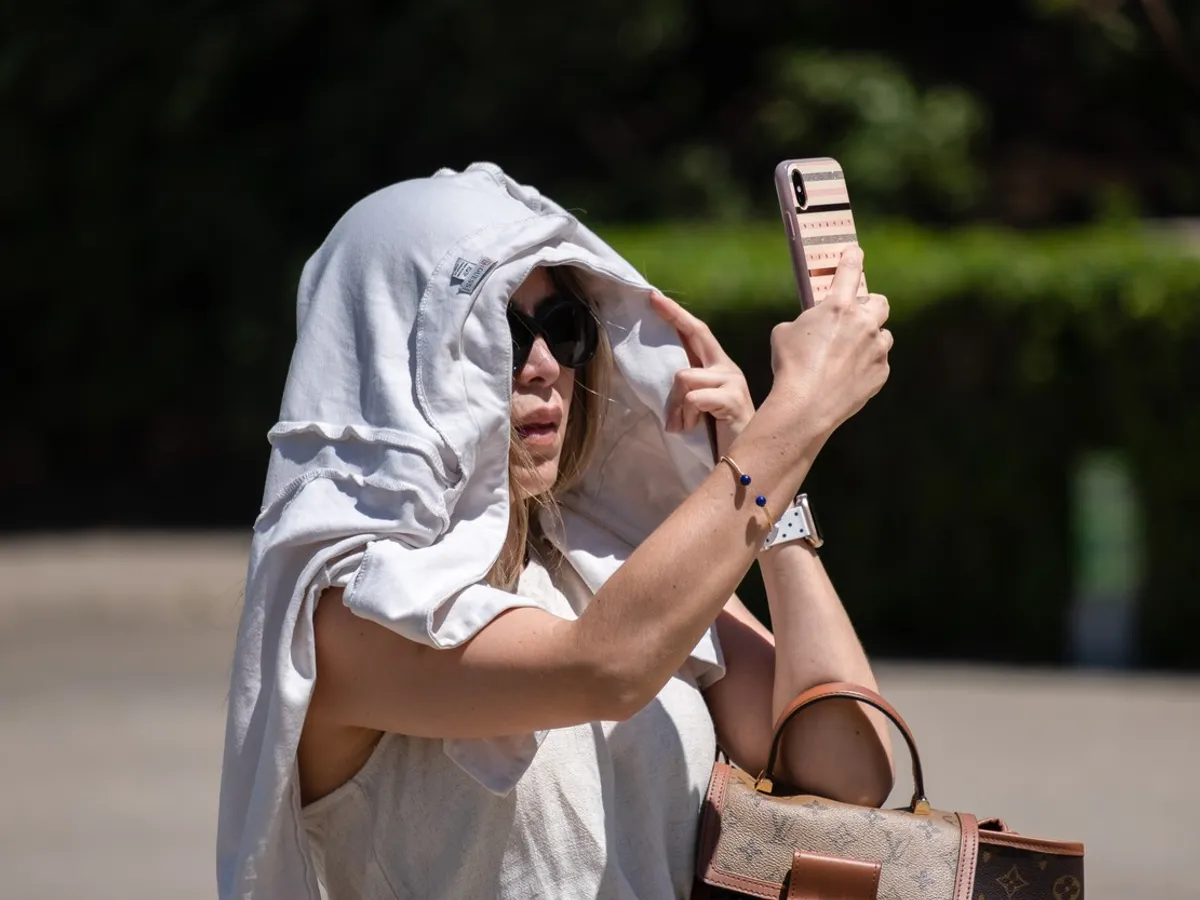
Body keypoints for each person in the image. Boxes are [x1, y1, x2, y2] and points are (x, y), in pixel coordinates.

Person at [217, 163, 895, 900]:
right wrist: (795, 419)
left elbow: (848, 771)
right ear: (394, 366)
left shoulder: (613, 553)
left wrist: (761, 465)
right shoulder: (344, 614)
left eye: (564, 328)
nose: (543, 366)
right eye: (498, 333)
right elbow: (604, 668)